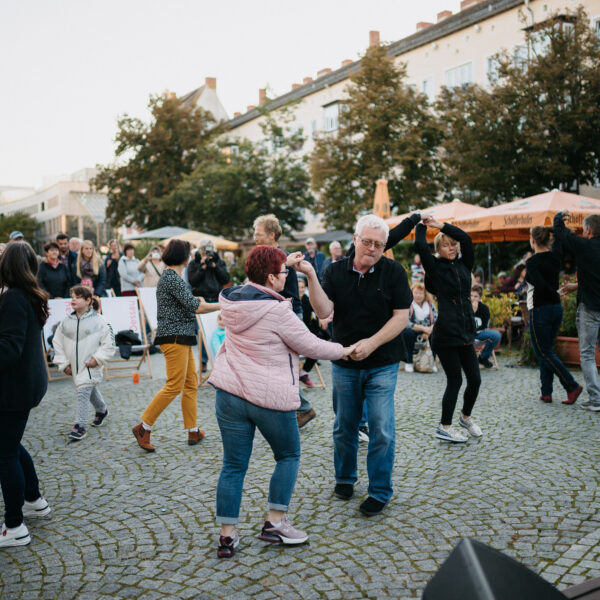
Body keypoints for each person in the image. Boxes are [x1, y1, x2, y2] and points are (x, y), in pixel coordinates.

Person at [208, 245, 355, 557]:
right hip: (267, 396)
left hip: (229, 393)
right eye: (284, 274)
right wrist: (345, 350)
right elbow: (311, 345)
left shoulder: (232, 299)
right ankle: (275, 523)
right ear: (273, 278)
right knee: (288, 455)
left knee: (233, 465)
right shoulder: (277, 312)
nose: (288, 278)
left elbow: (266, 280)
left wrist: (282, 262)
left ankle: (226, 535)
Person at [297, 214, 412, 517]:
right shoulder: (334, 271)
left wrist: (373, 342)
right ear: (355, 239)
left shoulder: (395, 272)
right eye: (368, 241)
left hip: (383, 363)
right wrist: (310, 275)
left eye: (379, 244)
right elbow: (324, 311)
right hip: (345, 363)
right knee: (344, 426)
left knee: (382, 428)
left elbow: (402, 317)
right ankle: (345, 478)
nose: (373, 248)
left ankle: (379, 491)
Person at [132, 239, 219, 452]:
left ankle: (193, 430)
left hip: (181, 336)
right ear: (184, 257)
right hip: (174, 338)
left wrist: (195, 300)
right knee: (174, 385)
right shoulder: (172, 278)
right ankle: (144, 426)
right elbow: (195, 308)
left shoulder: (172, 277)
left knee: (190, 384)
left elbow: (188, 303)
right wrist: (222, 304)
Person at [0, 241, 52, 548]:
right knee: (10, 445)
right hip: (25, 384)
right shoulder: (27, 295)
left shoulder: (15, 299)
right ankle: (34, 499)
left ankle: (15, 526)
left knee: (4, 454)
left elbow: (9, 347)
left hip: (15, 389)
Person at [415, 216, 482, 444]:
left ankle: (465, 417)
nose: (451, 248)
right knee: (455, 381)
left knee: (475, 380)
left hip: (465, 331)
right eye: (445, 244)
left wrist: (440, 225)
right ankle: (444, 426)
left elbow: (466, 238)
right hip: (445, 333)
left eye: (453, 244)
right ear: (438, 248)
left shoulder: (464, 264)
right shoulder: (434, 268)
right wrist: (421, 227)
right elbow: (421, 247)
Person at [253, 214, 316, 428]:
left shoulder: (281, 257)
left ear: (271, 235)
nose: (254, 238)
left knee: (279, 366)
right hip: (275, 315)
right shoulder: (269, 256)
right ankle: (294, 410)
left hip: (287, 315)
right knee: (275, 365)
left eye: (258, 234)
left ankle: (301, 408)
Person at [526, 225, 582, 405]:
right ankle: (546, 391)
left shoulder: (532, 262)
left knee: (543, 351)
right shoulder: (556, 255)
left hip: (540, 308)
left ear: (533, 240)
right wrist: (555, 224)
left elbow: (538, 284)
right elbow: (558, 237)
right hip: (556, 308)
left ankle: (571, 385)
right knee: (547, 349)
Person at [52, 286, 115, 440]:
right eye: (72, 296)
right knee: (87, 387)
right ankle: (101, 410)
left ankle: (79, 426)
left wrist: (97, 359)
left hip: (90, 365)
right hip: (75, 366)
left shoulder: (101, 321)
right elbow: (57, 343)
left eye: (78, 297)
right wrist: (63, 363)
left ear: (88, 301)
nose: (73, 299)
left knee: (83, 390)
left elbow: (109, 343)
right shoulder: (66, 323)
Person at [554, 212, 600, 411]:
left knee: (587, 354)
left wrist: (559, 217)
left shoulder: (585, 246)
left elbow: (560, 232)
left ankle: (596, 399)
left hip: (590, 307)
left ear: (588, 230)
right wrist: (578, 285)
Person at [297, 278, 330, 387]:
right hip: (298, 333)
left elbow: (314, 312)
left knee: (322, 339)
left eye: (302, 287)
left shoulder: (306, 299)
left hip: (309, 330)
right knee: (315, 345)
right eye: (298, 287)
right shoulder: (293, 301)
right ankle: (303, 373)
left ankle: (304, 373)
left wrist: (320, 317)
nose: (301, 289)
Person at [400, 281, 437, 373]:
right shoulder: (408, 305)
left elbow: (436, 320)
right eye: (416, 293)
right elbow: (407, 322)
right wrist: (424, 329)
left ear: (424, 295)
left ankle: (431, 362)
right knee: (407, 332)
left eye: (421, 293)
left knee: (436, 334)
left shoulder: (430, 305)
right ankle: (409, 362)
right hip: (414, 329)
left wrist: (429, 331)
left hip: (429, 329)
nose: (418, 295)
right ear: (411, 293)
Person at [471, 284, 501, 369]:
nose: (473, 298)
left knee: (496, 335)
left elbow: (484, 326)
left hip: (479, 334)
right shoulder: (465, 307)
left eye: (475, 296)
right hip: (466, 334)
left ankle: (483, 357)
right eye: (471, 295)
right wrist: (472, 311)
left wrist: (475, 310)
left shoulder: (484, 309)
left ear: (480, 298)